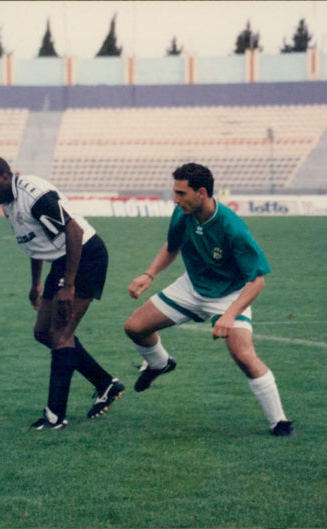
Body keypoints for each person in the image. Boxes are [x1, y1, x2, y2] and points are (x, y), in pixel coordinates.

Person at [124, 162, 296, 437]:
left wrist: (229, 314)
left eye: (181, 193)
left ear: (201, 192)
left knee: (243, 355)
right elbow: (172, 245)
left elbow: (258, 280)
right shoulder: (183, 213)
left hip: (230, 294)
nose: (175, 199)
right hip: (192, 287)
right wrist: (149, 274)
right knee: (134, 327)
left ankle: (280, 422)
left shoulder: (232, 227)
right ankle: (160, 363)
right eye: (175, 192)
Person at [0, 155, 124, 430]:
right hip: (61, 259)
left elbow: (75, 231)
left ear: (5, 177)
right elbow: (35, 241)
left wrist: (69, 285)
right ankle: (105, 383)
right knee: (43, 332)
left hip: (86, 255)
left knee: (61, 334)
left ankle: (55, 416)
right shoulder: (7, 200)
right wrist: (36, 283)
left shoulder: (34, 196)